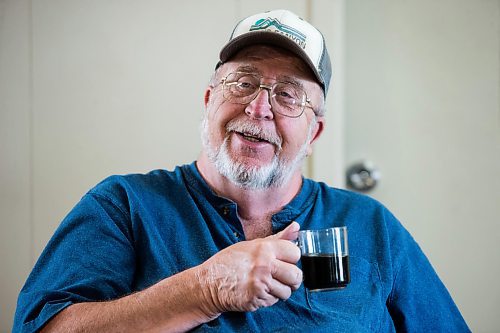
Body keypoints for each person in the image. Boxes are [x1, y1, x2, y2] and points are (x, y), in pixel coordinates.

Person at [13, 9, 470, 333]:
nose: (259, 107)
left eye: (288, 95)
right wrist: (202, 289)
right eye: (244, 81)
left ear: (314, 133)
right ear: (210, 100)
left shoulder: (372, 226)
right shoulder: (123, 207)